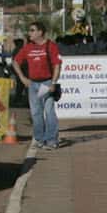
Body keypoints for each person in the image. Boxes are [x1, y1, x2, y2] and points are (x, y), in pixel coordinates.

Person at [12, 21, 64, 150]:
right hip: (33, 84)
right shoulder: (28, 47)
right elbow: (15, 62)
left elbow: (57, 65)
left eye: (32, 30)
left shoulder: (50, 46)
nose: (30, 33)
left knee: (49, 111)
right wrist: (23, 78)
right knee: (36, 113)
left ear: (40, 32)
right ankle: (39, 139)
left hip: (46, 83)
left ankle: (51, 140)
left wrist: (53, 82)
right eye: (29, 30)